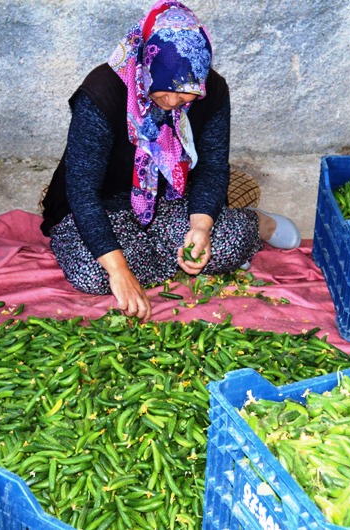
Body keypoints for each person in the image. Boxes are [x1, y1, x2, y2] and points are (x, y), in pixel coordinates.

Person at [40, 0, 301, 322]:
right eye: (164, 89)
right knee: (95, 274)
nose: (174, 100)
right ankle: (181, 255)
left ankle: (257, 223)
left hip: (170, 200)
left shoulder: (213, 90)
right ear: (146, 66)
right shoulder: (102, 92)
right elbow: (82, 191)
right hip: (103, 204)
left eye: (186, 93)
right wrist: (118, 269)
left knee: (217, 244)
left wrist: (201, 228)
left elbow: (212, 168)